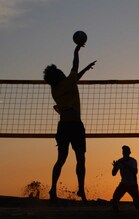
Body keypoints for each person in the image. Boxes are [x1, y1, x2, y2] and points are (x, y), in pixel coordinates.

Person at [43, 44, 96, 202]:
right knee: (80, 159)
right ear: (59, 75)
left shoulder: (55, 90)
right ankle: (81, 190)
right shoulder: (68, 82)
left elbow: (73, 78)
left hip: (63, 127)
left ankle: (53, 190)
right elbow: (74, 67)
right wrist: (76, 50)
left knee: (61, 159)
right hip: (75, 126)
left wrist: (84, 70)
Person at [111, 145, 139, 213]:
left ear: (129, 152)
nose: (124, 153)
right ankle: (116, 215)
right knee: (114, 201)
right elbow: (113, 174)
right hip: (123, 184)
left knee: (136, 204)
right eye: (123, 151)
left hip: (133, 185)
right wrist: (114, 167)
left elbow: (135, 172)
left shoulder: (133, 161)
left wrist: (125, 164)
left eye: (125, 151)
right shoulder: (120, 161)